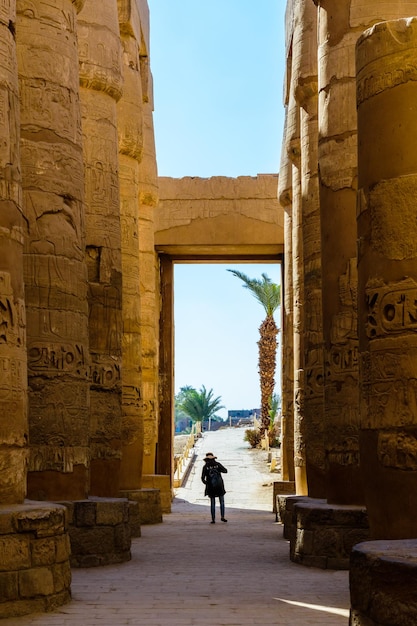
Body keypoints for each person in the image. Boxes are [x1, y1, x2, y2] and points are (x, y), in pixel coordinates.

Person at [201, 452, 228, 523]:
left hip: (211, 487)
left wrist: (207, 483)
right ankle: (222, 517)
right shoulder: (217, 464)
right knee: (222, 502)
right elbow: (225, 471)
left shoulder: (205, 467)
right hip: (219, 486)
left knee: (212, 503)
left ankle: (213, 519)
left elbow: (202, 478)